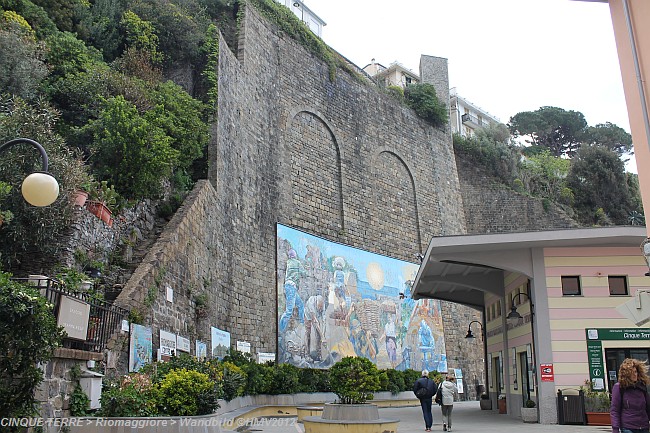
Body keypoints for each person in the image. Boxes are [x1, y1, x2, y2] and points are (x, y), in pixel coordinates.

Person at [610, 358, 650, 433]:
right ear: (626, 374)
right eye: (632, 372)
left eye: (635, 372)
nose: (635, 374)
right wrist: (615, 428)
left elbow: (648, 407)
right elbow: (615, 410)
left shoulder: (641, 387)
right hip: (628, 427)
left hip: (644, 426)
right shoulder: (619, 387)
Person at [279, 249, 307, 332]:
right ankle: (281, 329)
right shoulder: (297, 263)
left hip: (288, 286)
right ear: (295, 255)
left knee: (300, 304)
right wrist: (305, 271)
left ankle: (302, 323)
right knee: (289, 311)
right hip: (292, 287)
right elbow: (303, 273)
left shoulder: (288, 262)